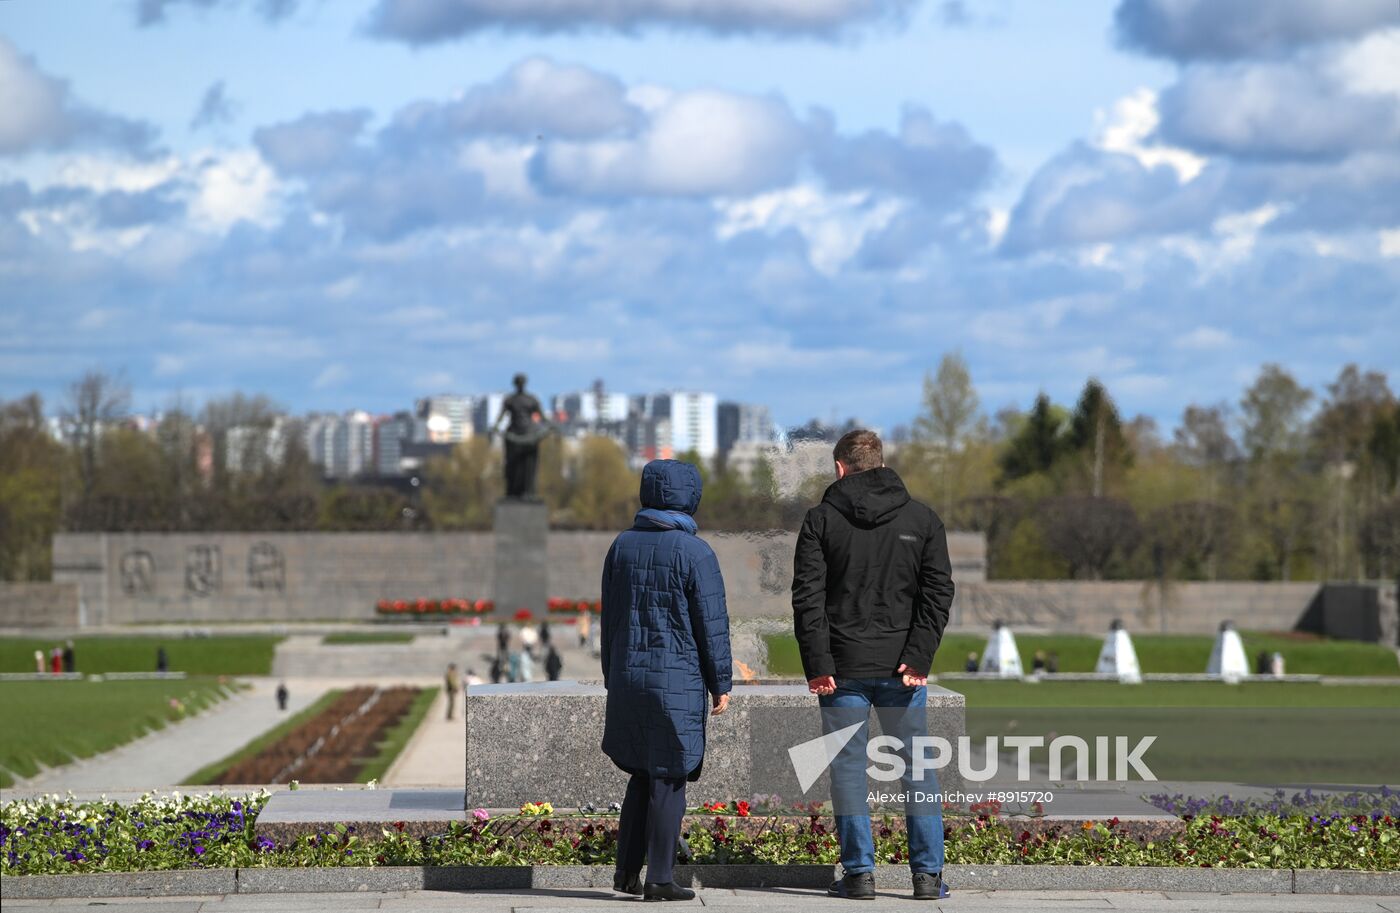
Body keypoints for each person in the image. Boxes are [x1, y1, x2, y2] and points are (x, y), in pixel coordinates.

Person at [791, 429, 955, 902]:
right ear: (880, 464)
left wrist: (818, 663)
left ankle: (860, 875)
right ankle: (927, 877)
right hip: (904, 670)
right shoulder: (923, 519)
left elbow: (808, 598)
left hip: (840, 669)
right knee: (918, 769)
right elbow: (938, 593)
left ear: (840, 468)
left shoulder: (820, 520)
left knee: (847, 769)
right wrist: (919, 656)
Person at [602, 459, 732, 902]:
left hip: (627, 678)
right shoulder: (695, 552)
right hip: (674, 682)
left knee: (640, 772)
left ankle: (625, 874)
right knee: (669, 776)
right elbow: (711, 625)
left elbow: (610, 622)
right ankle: (659, 877)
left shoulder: (621, 546)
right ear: (689, 496)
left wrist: (611, 676)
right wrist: (722, 683)